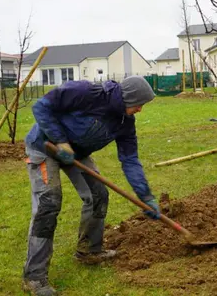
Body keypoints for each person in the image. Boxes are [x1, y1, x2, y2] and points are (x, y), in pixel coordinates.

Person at [20, 75, 160, 296]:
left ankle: (88, 251)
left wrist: (146, 197)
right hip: (44, 147)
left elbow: (130, 160)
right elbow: (42, 106)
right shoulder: (86, 92)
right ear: (127, 97)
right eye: (139, 104)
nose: (141, 109)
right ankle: (34, 277)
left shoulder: (125, 123)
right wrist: (60, 140)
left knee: (98, 196)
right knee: (49, 204)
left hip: (77, 155)